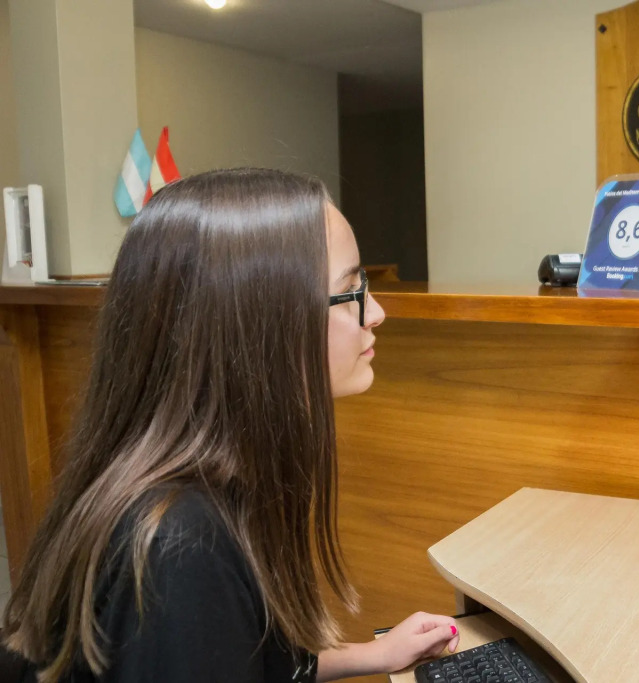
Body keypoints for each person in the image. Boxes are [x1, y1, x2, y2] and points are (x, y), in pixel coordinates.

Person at [0, 169, 460, 682]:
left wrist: (373, 655)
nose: (375, 312)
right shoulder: (181, 548)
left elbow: (243, 658)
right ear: (259, 322)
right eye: (350, 290)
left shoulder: (211, 483)